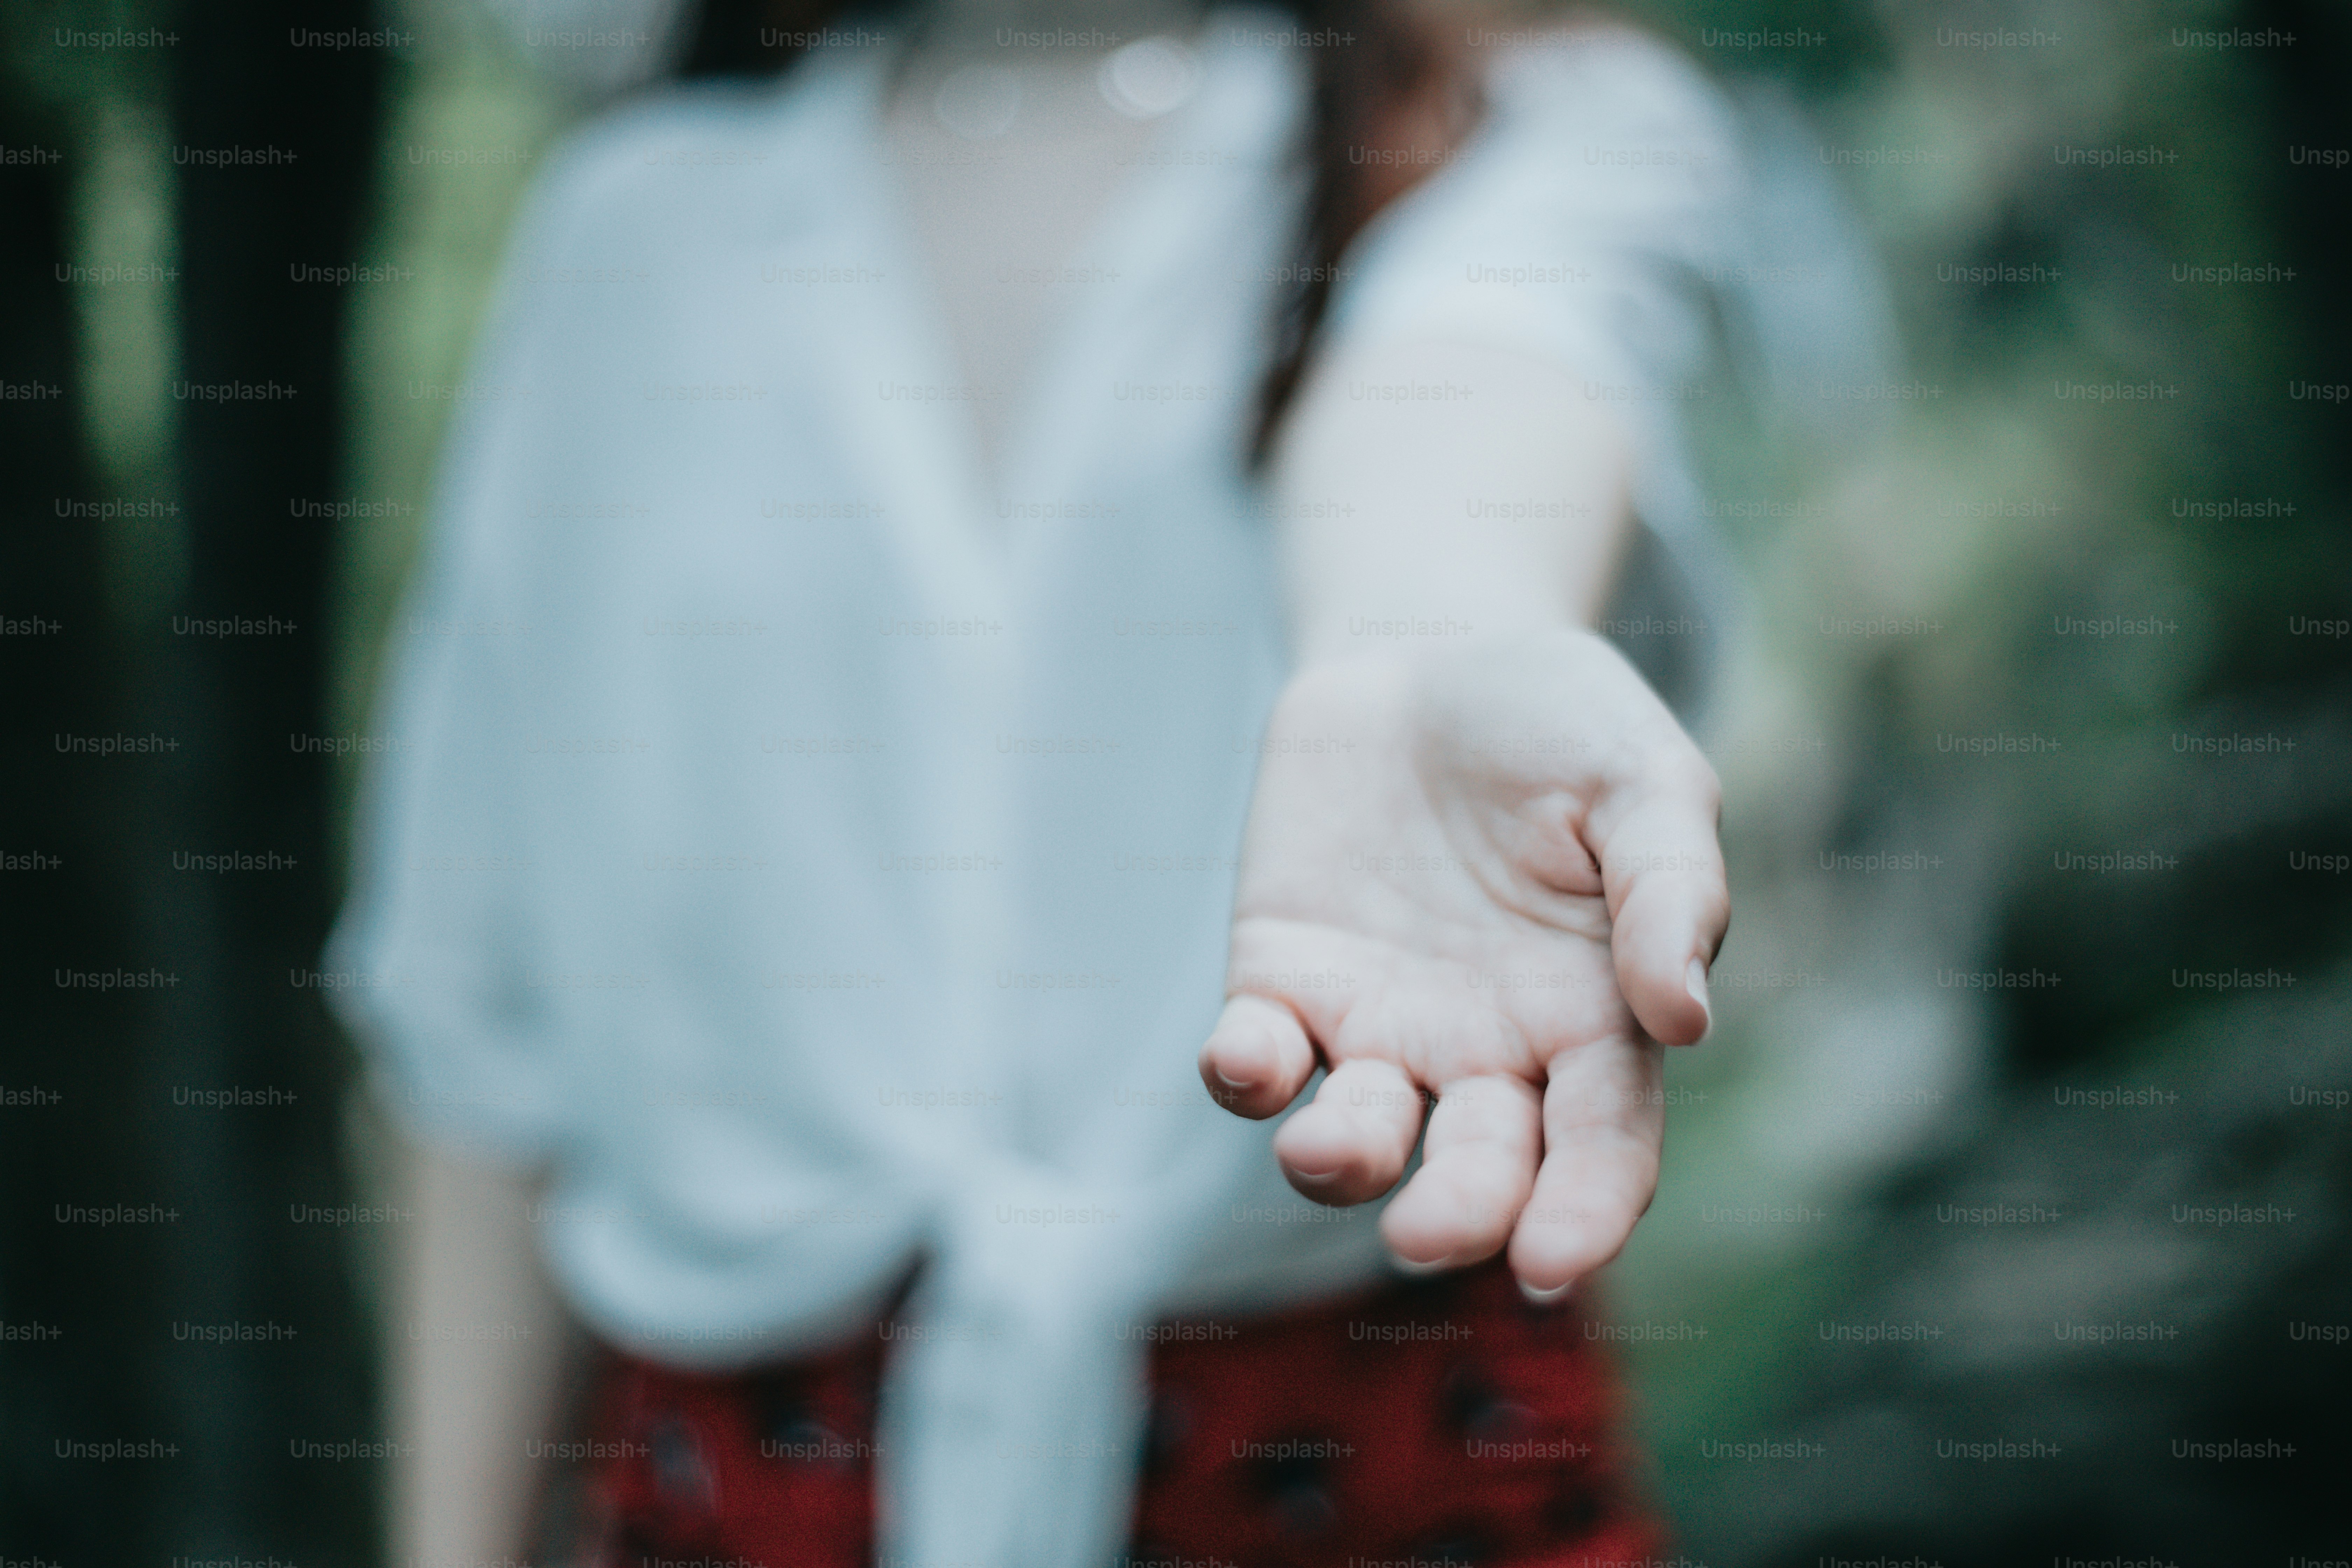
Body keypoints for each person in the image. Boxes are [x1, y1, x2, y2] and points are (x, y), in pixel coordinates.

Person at [329, 0, 1767, 1562]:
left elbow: (1477, 376)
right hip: (747, 1486)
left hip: (1371, 1458)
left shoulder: (1512, 121)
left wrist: (1422, 649)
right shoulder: (634, 235)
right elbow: (478, 1017)